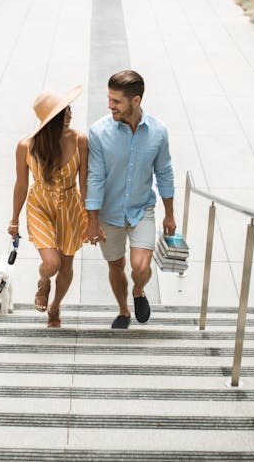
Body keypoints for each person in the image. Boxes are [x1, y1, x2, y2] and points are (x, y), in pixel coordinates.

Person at [85, 70, 176, 329]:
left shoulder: (158, 132)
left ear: (135, 101)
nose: (110, 105)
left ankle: (138, 290)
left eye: (116, 101)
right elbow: (95, 178)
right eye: (109, 99)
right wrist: (92, 221)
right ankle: (124, 310)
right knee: (116, 265)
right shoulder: (99, 132)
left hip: (141, 209)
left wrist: (169, 213)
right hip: (109, 213)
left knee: (139, 266)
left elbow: (165, 172)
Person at [8, 85, 88, 328]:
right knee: (52, 264)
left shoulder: (79, 140)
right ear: (48, 120)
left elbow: (85, 183)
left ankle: (55, 307)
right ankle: (44, 281)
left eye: (69, 110)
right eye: (62, 113)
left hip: (70, 205)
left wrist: (92, 219)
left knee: (67, 266)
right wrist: (14, 220)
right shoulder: (26, 146)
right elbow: (21, 185)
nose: (69, 116)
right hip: (40, 206)